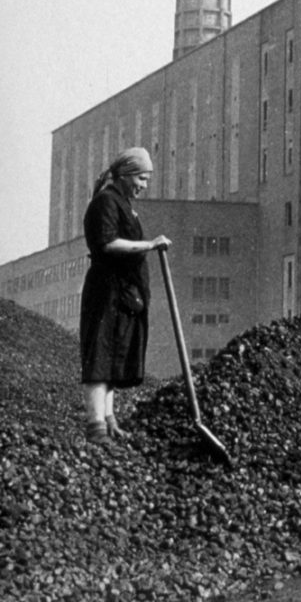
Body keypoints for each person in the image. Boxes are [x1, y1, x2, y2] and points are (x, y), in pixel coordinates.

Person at [79, 147, 171, 446]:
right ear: (127, 174)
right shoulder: (106, 201)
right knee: (101, 356)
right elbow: (106, 244)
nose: (144, 185)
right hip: (107, 291)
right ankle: (96, 428)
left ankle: (109, 421)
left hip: (122, 293)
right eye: (142, 178)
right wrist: (149, 245)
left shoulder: (122, 203)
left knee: (113, 356)